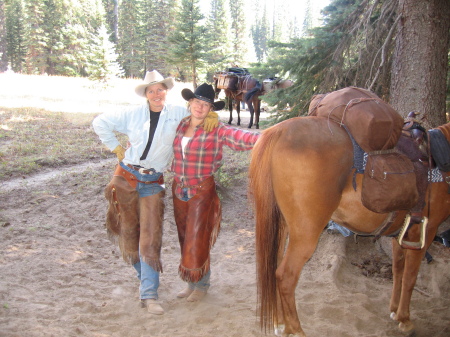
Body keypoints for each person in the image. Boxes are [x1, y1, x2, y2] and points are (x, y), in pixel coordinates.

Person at [92, 71, 218, 315]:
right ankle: (145, 280)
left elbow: (198, 113)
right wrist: (116, 147)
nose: (157, 94)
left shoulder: (177, 113)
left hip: (152, 181)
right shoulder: (131, 113)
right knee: (129, 233)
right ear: (146, 94)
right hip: (125, 177)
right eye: (152, 91)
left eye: (161, 89)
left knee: (150, 236)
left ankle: (149, 295)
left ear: (166, 91)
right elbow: (100, 122)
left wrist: (211, 114)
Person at [171, 83, 260, 302]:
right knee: (185, 237)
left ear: (211, 109)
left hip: (201, 190)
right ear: (190, 103)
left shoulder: (216, 129)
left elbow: (242, 137)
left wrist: (270, 135)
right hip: (178, 188)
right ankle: (192, 283)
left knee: (197, 238)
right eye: (197, 103)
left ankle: (202, 285)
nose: (200, 108)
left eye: (206, 105)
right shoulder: (181, 125)